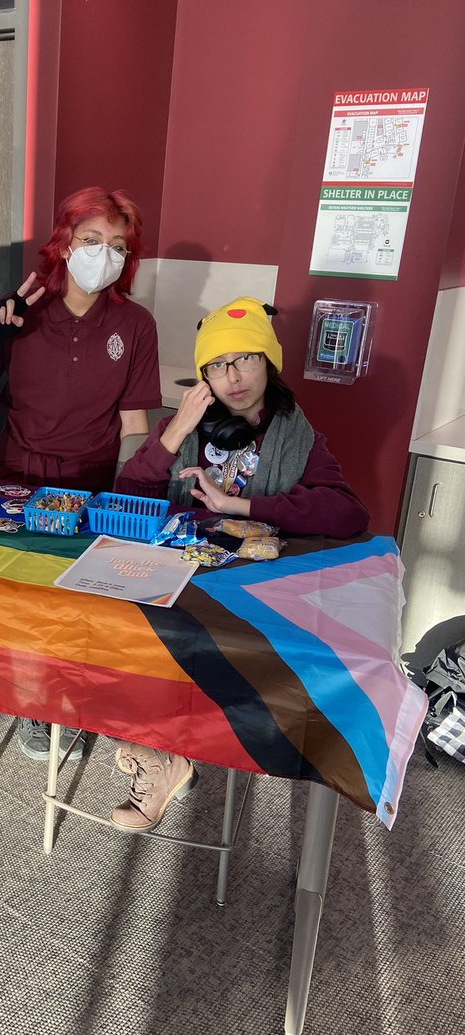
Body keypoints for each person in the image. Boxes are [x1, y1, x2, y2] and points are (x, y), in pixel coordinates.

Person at [107, 295, 370, 830]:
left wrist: (240, 506)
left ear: (267, 363)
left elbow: (347, 513)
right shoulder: (185, 429)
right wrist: (176, 430)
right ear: (203, 377)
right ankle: (158, 749)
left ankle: (162, 748)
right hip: (176, 571)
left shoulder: (297, 438)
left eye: (245, 359)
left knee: (187, 635)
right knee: (115, 616)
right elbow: (125, 497)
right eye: (217, 365)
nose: (233, 376)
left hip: (248, 586)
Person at [0, 187, 162, 762]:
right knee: (22, 602)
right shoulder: (25, 312)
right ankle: (33, 703)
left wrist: (131, 497)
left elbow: (134, 424)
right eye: (91, 239)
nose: (104, 254)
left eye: (117, 245)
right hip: (15, 481)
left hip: (90, 486)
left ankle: (70, 698)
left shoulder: (135, 325)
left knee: (81, 607)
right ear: (64, 243)